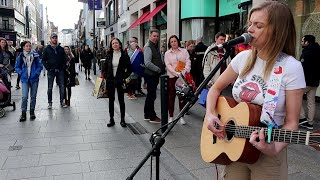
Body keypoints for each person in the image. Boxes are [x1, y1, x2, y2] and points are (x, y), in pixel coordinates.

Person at [205, 2, 305, 179]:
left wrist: (273, 148)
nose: (250, 29)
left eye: (258, 25)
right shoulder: (243, 58)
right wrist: (210, 115)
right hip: (234, 147)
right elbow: (215, 89)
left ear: (277, 31)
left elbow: (291, 123)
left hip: (268, 153)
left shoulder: (291, 67)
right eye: (250, 24)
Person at [103, 38, 132, 127]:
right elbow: (104, 68)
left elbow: (129, 69)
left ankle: (122, 120)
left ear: (120, 44)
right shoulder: (109, 55)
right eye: (113, 43)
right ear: (111, 46)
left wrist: (124, 77)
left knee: (121, 100)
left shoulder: (124, 55)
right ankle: (111, 119)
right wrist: (106, 76)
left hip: (120, 80)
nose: (115, 45)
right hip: (110, 80)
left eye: (116, 43)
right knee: (111, 100)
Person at [164, 35, 191, 125]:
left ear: (178, 42)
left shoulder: (184, 51)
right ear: (169, 43)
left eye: (175, 41)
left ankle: (181, 117)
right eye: (171, 42)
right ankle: (171, 116)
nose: (173, 43)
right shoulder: (167, 53)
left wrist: (184, 71)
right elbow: (168, 65)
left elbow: (188, 61)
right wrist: (176, 73)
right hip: (172, 77)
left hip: (182, 78)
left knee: (182, 97)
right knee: (171, 97)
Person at [15, 41, 43, 121]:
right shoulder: (21, 56)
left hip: (34, 79)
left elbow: (40, 65)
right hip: (25, 79)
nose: (28, 47)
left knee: (33, 97)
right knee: (24, 97)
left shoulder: (35, 55)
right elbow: (17, 67)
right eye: (27, 46)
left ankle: (32, 112)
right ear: (23, 47)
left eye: (30, 46)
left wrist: (36, 73)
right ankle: (23, 113)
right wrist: (21, 73)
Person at [143, 29, 165, 123]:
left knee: (150, 95)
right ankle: (152, 116)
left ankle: (147, 115)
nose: (156, 38)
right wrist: (158, 69)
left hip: (153, 75)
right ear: (150, 36)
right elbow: (147, 63)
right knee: (152, 96)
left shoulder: (154, 46)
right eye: (154, 36)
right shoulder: (148, 47)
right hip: (151, 75)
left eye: (157, 36)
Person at [299, 35, 320, 130]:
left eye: (303, 41)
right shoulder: (318, 51)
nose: (301, 42)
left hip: (305, 82)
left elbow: (302, 68)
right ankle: (310, 123)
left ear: (307, 42)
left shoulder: (307, 53)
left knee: (295, 97)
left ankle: (302, 118)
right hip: (315, 82)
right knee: (311, 102)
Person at [42, 32, 67, 109]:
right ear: (51, 39)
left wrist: (62, 67)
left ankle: (62, 101)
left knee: (62, 87)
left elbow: (64, 59)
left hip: (60, 70)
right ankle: (50, 103)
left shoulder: (61, 48)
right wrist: (48, 68)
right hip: (51, 71)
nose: (55, 39)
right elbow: (43, 60)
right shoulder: (47, 49)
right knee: (50, 87)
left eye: (55, 37)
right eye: (53, 38)